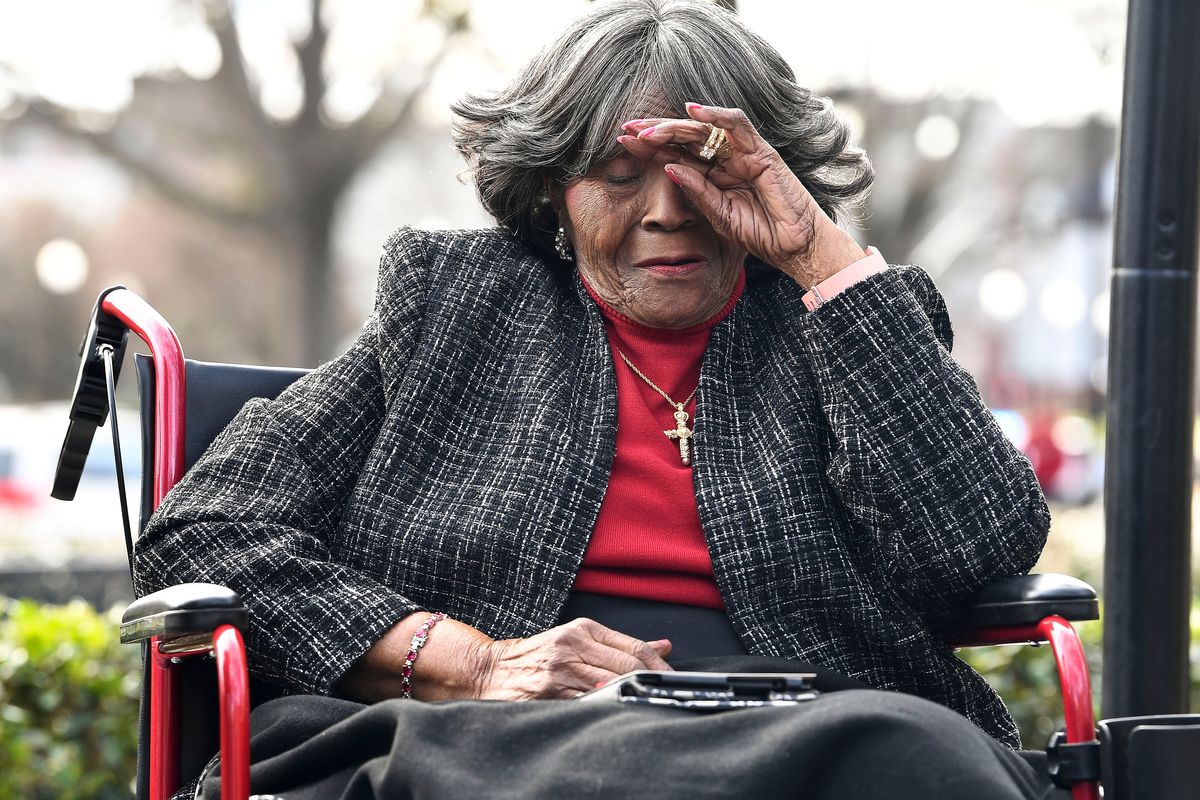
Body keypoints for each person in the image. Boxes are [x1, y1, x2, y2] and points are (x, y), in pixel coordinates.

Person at [135, 1, 1062, 797]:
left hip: (806, 727)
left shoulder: (843, 321)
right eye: (621, 176)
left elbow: (975, 550)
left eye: (711, 171)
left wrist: (819, 253)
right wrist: (474, 662)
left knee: (925, 757)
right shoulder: (454, 308)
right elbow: (208, 530)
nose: (668, 211)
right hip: (491, 744)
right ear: (553, 190)